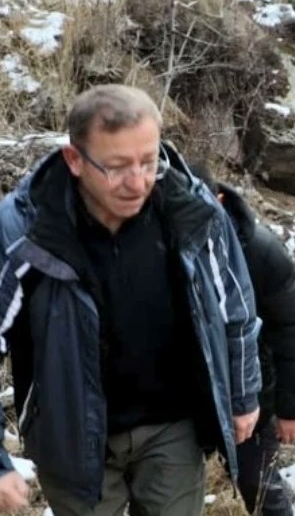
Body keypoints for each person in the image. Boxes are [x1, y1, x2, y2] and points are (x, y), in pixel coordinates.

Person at [0, 84, 262, 515]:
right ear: (75, 160)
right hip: (73, 435)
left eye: (149, 161)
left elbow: (236, 310)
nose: (137, 183)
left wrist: (243, 395)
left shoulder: (191, 212)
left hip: (173, 427)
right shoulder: (26, 230)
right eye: (118, 167)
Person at [189, 164, 295, 516]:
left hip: (249, 393)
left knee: (259, 486)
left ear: (220, 200)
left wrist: (291, 408)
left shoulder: (261, 252)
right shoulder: (162, 243)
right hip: (183, 397)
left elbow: (290, 332)